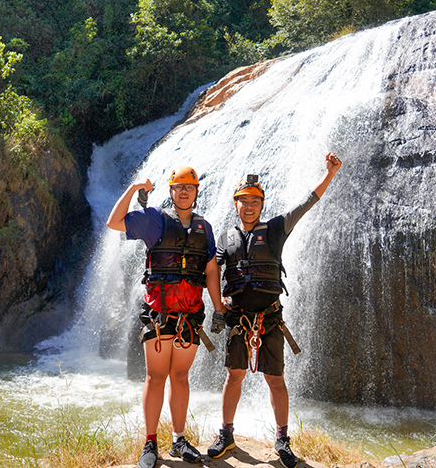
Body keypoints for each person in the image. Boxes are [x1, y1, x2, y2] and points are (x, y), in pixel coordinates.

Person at [206, 152, 343, 468]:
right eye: (244, 200)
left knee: (276, 379)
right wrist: (217, 307)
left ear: (262, 205)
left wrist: (330, 173)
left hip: (270, 319)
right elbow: (210, 271)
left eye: (255, 200)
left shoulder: (277, 228)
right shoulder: (225, 238)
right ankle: (226, 435)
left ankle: (282, 440)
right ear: (235, 203)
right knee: (234, 376)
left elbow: (307, 203)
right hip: (238, 320)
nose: (249, 205)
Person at [106, 166, 226, 468]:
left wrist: (219, 309)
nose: (184, 191)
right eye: (178, 186)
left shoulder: (205, 228)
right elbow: (114, 222)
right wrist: (134, 189)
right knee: (156, 377)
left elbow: (211, 269)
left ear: (197, 191)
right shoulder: (154, 220)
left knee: (181, 377)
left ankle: (179, 439)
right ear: (171, 191)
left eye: (189, 186)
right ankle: (150, 442)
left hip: (190, 316)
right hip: (158, 316)